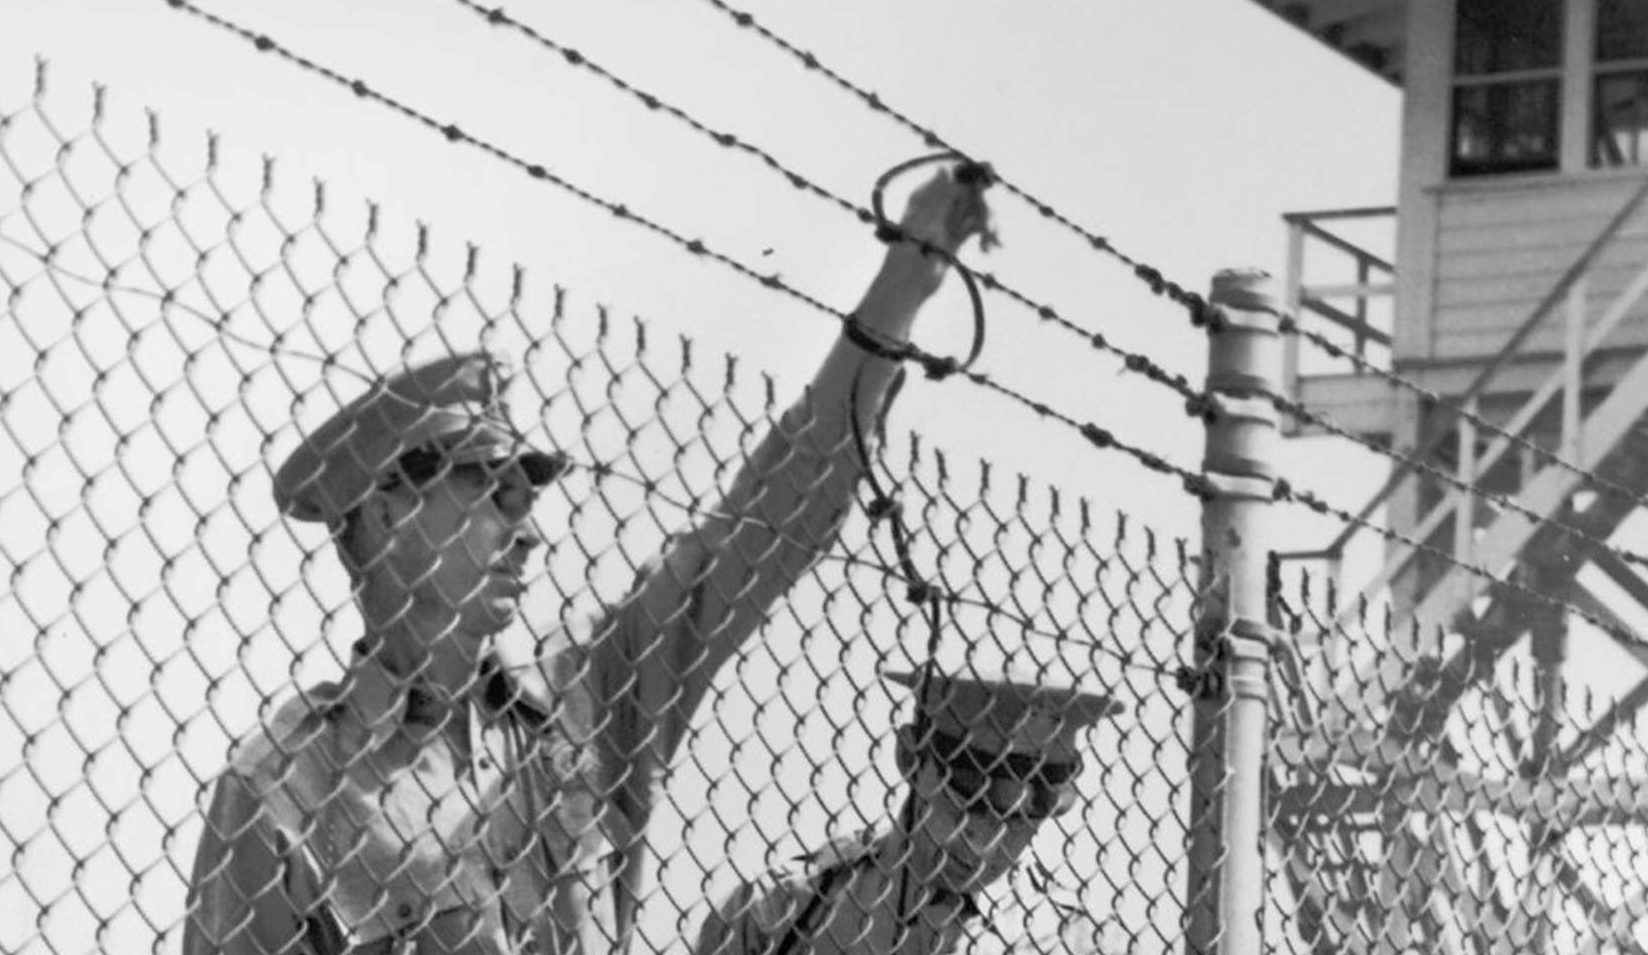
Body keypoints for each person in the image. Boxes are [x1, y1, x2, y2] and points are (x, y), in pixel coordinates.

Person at [182, 170, 994, 955]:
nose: (528, 531)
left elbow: (761, 532)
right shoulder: (284, 787)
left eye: (526, 498)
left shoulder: (585, 701)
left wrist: (900, 288)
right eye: (494, 495)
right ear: (391, 509)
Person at [695, 669, 1128, 955]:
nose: (986, 840)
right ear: (910, 758)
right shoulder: (778, 916)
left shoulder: (1078, 939)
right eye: (969, 798)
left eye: (1020, 818)